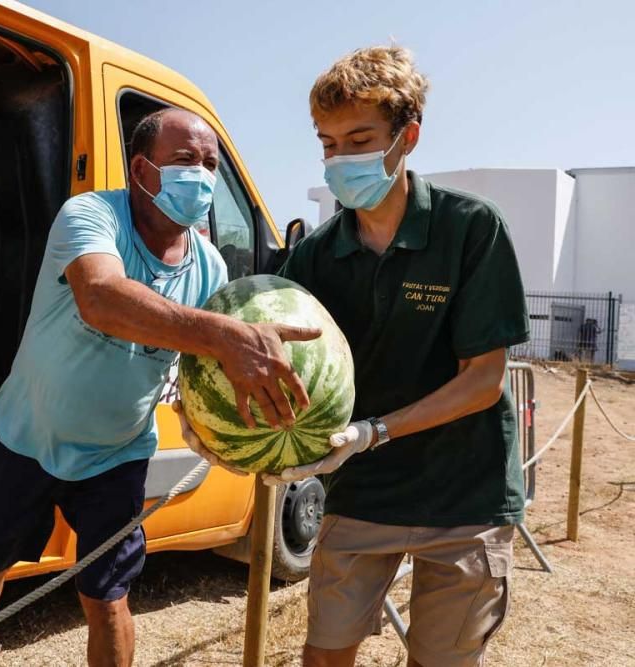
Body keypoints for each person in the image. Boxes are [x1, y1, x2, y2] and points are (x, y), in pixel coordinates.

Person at [180, 45, 530, 667]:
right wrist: (204, 420)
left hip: (463, 494)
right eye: (328, 143)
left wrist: (374, 432)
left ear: (407, 138)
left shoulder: (470, 228)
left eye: (359, 138)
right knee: (325, 655)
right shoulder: (316, 255)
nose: (340, 158)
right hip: (363, 492)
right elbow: (255, 340)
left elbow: (483, 380)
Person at [0, 108, 321, 667]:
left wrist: (210, 423)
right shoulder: (92, 215)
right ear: (143, 172)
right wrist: (224, 333)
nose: (203, 177)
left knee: (109, 596)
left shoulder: (210, 267)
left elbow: (198, 366)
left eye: (211, 165)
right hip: (28, 433)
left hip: (116, 454)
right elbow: (101, 298)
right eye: (186, 161)